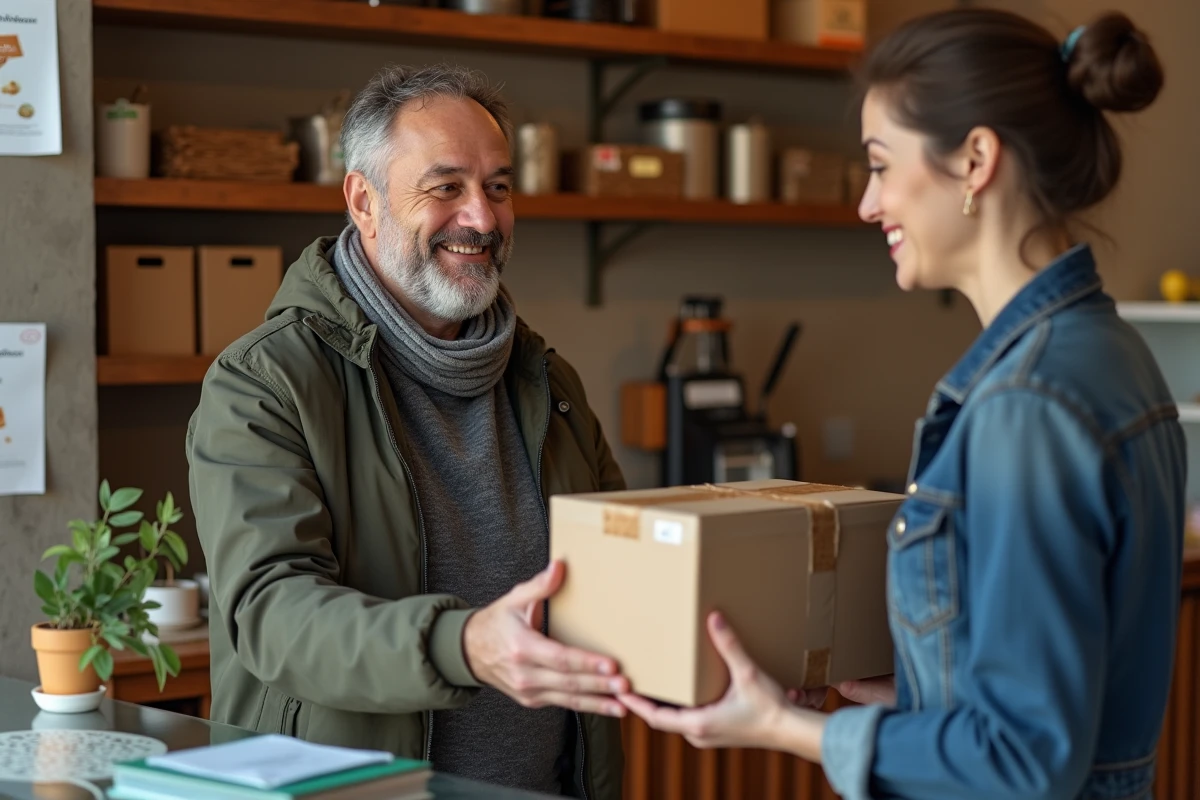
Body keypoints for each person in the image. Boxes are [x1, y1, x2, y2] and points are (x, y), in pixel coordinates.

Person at [619, 9, 1185, 800]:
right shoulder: (1108, 354)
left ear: (976, 160)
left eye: (881, 166)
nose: (866, 203)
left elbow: (1022, 759)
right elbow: (1054, 703)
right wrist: (910, 701)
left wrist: (780, 727)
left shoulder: (1027, 403)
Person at [186, 64, 628, 799]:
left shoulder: (550, 383)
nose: (482, 219)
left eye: (498, 187)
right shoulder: (265, 383)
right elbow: (269, 611)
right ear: (364, 200)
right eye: (446, 186)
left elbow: (623, 573)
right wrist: (462, 645)